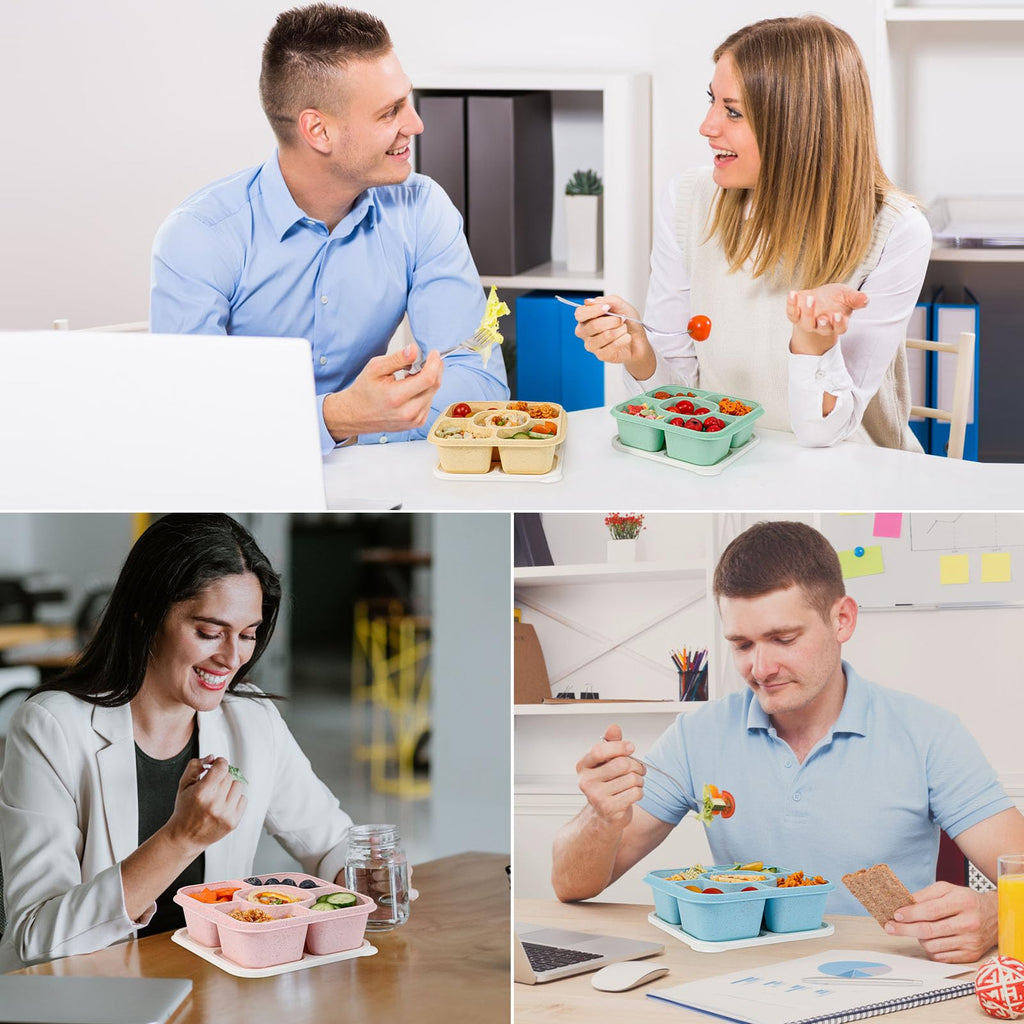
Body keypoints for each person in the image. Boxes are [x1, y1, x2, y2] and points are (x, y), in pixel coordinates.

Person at [551, 521, 1024, 964]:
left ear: (842, 620)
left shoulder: (928, 734)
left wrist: (994, 913)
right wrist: (599, 816)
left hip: (880, 977)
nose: (760, 668)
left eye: (782, 638)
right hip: (740, 975)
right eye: (742, 645)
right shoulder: (698, 734)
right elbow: (571, 886)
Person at [0, 514, 355, 970]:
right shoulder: (50, 727)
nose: (231, 659)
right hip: (85, 992)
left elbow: (332, 843)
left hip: (208, 984)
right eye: (209, 633)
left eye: (247, 635)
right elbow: (38, 937)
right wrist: (181, 838)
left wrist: (367, 876)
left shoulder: (253, 721)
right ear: (145, 614)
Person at [150, 4, 508, 455]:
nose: (415, 125)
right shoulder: (201, 237)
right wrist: (335, 417)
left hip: (381, 486)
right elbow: (187, 417)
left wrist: (356, 426)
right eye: (389, 112)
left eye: (407, 102)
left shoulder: (421, 208)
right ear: (318, 130)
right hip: (246, 488)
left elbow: (478, 382)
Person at [574, 16, 932, 450]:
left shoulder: (896, 231)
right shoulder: (688, 201)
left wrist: (813, 343)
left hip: (854, 479)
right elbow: (681, 406)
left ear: (799, 125)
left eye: (733, 112)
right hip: (728, 467)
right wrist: (642, 357)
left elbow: (826, 434)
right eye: (712, 101)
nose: (707, 127)